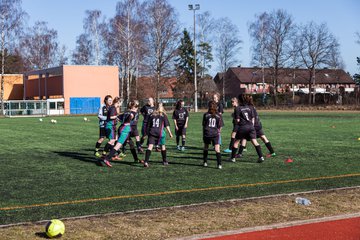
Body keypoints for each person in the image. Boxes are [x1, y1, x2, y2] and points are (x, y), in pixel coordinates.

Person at [102, 100, 143, 167]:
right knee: (118, 145)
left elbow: (118, 118)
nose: (137, 108)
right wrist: (129, 118)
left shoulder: (126, 112)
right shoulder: (133, 113)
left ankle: (136, 159)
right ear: (134, 107)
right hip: (125, 130)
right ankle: (107, 158)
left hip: (121, 127)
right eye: (137, 106)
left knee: (131, 143)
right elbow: (131, 117)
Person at [230, 94, 265, 163]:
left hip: (242, 127)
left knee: (236, 142)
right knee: (255, 142)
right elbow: (253, 118)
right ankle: (261, 157)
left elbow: (237, 120)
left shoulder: (238, 108)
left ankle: (233, 158)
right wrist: (251, 126)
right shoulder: (250, 107)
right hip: (251, 127)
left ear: (239, 100)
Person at [143, 103, 173, 167]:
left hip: (152, 132)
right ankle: (164, 161)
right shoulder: (163, 115)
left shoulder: (151, 115)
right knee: (163, 146)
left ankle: (146, 161)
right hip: (160, 133)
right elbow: (167, 125)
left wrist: (146, 133)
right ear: (161, 108)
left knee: (150, 147)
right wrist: (170, 133)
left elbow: (148, 125)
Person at [202, 101, 223, 169]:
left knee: (206, 147)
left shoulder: (205, 114)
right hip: (215, 134)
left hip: (207, 133)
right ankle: (219, 164)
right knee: (217, 149)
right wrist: (218, 132)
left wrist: (204, 133)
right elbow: (220, 126)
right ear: (215, 107)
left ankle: (205, 162)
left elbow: (204, 125)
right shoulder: (219, 115)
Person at [103, 96, 121, 161]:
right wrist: (118, 116)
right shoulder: (113, 108)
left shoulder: (113, 107)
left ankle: (113, 156)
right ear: (118, 102)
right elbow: (111, 117)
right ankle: (104, 154)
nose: (120, 104)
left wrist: (117, 118)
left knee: (114, 140)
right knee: (112, 141)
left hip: (112, 126)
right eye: (120, 103)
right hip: (110, 126)